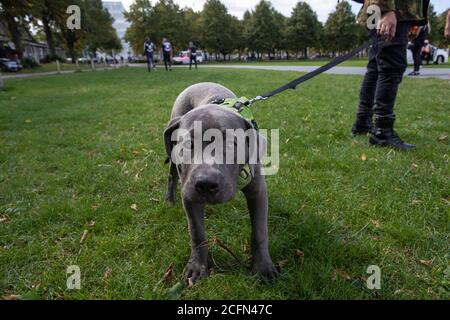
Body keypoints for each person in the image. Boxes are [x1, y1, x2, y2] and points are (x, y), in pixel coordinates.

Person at [351, 0, 429, 150]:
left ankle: (363, 122)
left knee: (375, 66)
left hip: (376, 9)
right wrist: (386, 10)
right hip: (390, 9)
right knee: (391, 66)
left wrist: (416, 18)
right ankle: (382, 130)